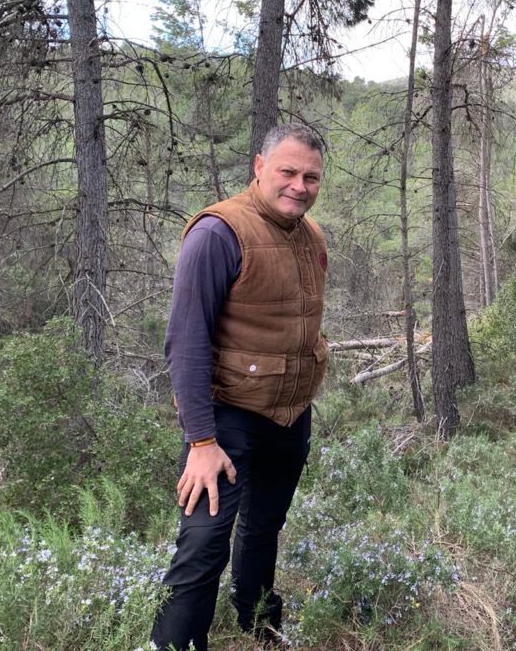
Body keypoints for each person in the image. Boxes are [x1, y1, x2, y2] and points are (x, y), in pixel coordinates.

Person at [151, 123, 330, 651]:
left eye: (311, 177)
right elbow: (185, 342)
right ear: (259, 167)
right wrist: (201, 442)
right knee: (204, 541)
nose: (299, 185)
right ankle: (176, 644)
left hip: (289, 415)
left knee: (263, 526)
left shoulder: (312, 236)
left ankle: (259, 626)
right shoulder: (217, 233)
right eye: (288, 172)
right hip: (224, 417)